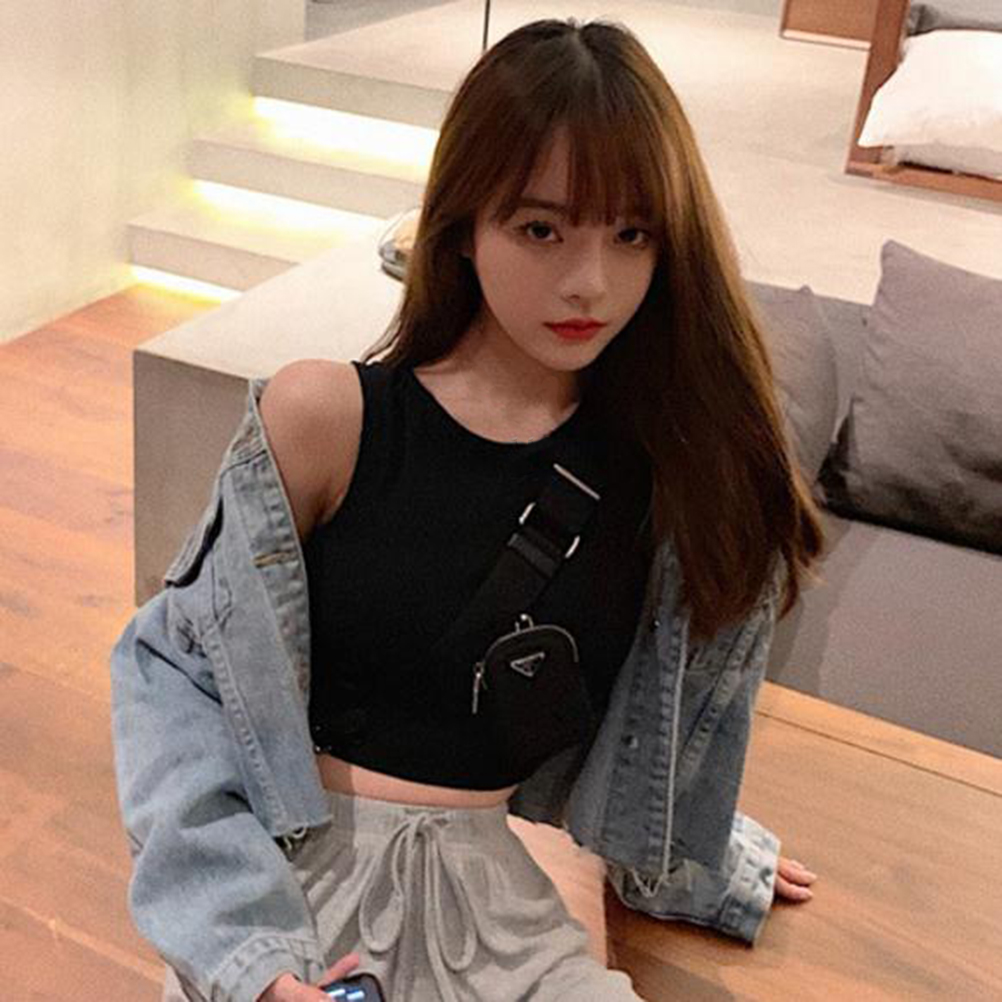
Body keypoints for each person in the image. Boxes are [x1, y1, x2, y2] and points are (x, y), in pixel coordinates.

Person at [110, 17, 823, 1002]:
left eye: (631, 234)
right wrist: (249, 963)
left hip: (502, 906)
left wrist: (702, 858)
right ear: (463, 225)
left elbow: (640, 748)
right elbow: (176, 684)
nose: (589, 281)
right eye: (541, 229)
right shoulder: (329, 419)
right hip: (287, 894)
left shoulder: (674, 480)